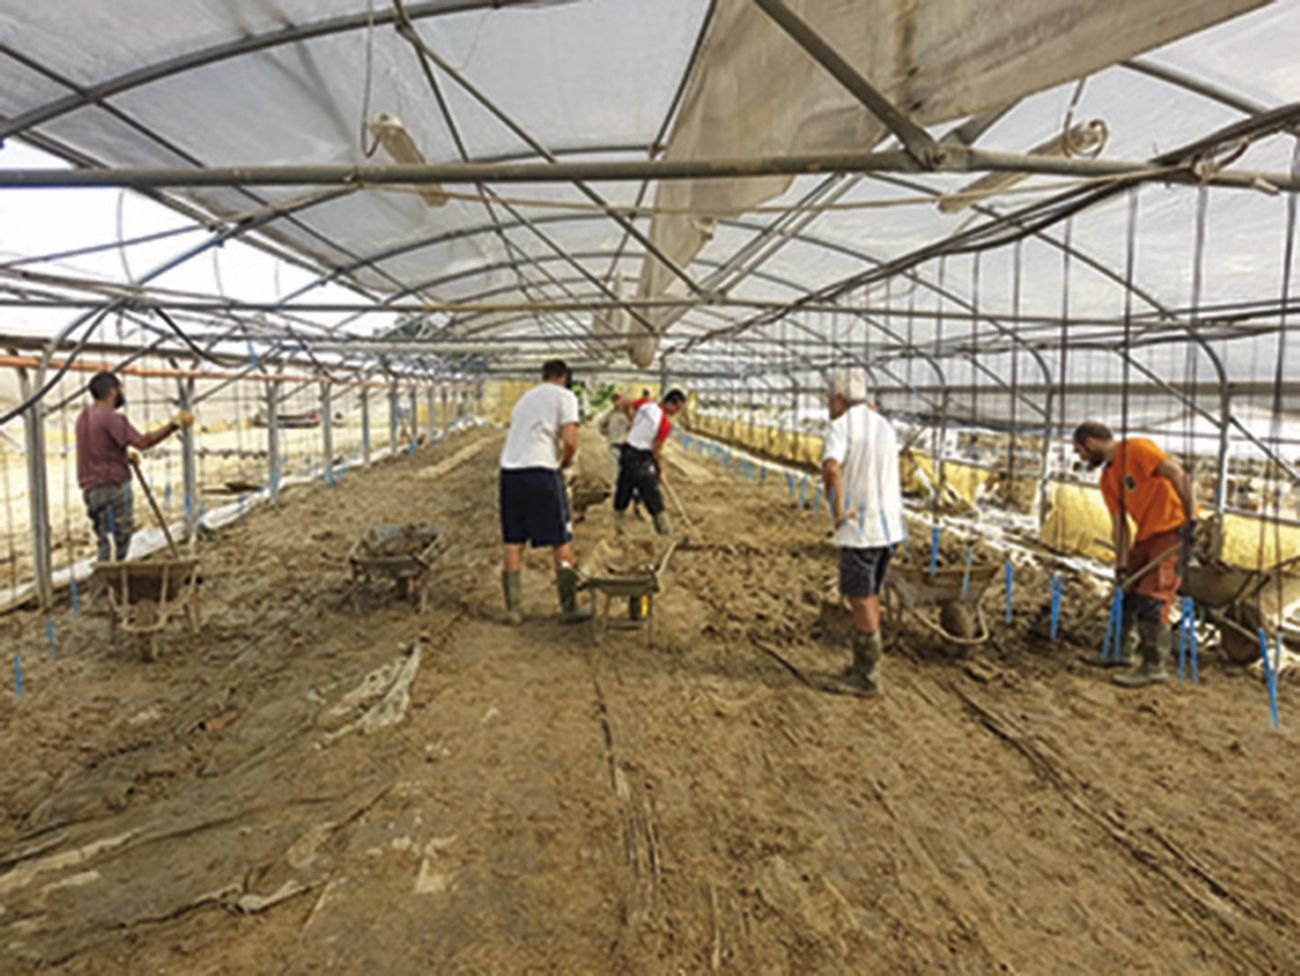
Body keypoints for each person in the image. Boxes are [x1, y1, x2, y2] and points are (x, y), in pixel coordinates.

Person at [1073, 421, 1196, 687]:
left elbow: (1176, 473)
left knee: (1152, 597)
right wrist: (1121, 566)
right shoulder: (1108, 479)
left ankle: (1154, 665)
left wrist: (1191, 519)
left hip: (1173, 530)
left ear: (1091, 443)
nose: (1080, 457)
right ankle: (1121, 652)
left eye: (1079, 450)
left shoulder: (1137, 449)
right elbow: (1119, 526)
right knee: (1127, 590)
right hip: (1146, 536)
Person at [821, 368, 903, 696]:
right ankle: (863, 665)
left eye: (829, 399)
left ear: (841, 399)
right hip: (889, 527)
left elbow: (831, 466)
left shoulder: (841, 427)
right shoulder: (883, 425)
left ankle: (867, 677)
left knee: (860, 598)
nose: (828, 405)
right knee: (871, 595)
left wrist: (837, 509)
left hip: (860, 528)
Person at [499, 359, 591, 625]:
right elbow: (571, 441)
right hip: (541, 472)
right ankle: (569, 607)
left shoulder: (524, 399)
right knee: (561, 539)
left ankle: (513, 610)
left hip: (510, 473)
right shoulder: (565, 396)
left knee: (514, 541)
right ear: (563, 376)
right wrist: (564, 462)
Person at [76, 371, 192, 563]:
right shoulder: (112, 418)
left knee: (106, 540)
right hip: (111, 487)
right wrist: (172, 426)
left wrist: (120, 455)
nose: (122, 394)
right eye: (120, 389)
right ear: (113, 391)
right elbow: (143, 442)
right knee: (116, 544)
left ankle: (107, 587)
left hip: (91, 490)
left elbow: (97, 447)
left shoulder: (84, 418)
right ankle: (108, 588)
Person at [613, 389, 685, 537]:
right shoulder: (664, 423)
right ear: (670, 403)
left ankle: (619, 529)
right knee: (653, 496)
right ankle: (666, 533)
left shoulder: (646, 404)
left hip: (627, 455)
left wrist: (632, 420)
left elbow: (626, 402)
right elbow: (656, 450)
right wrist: (659, 471)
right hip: (642, 460)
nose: (676, 413)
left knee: (623, 490)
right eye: (677, 409)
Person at [597, 391, 632, 478]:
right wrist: (608, 434)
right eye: (614, 399)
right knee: (616, 473)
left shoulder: (629, 414)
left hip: (628, 447)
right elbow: (601, 426)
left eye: (619, 399)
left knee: (628, 473)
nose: (617, 402)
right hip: (614, 445)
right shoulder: (610, 414)